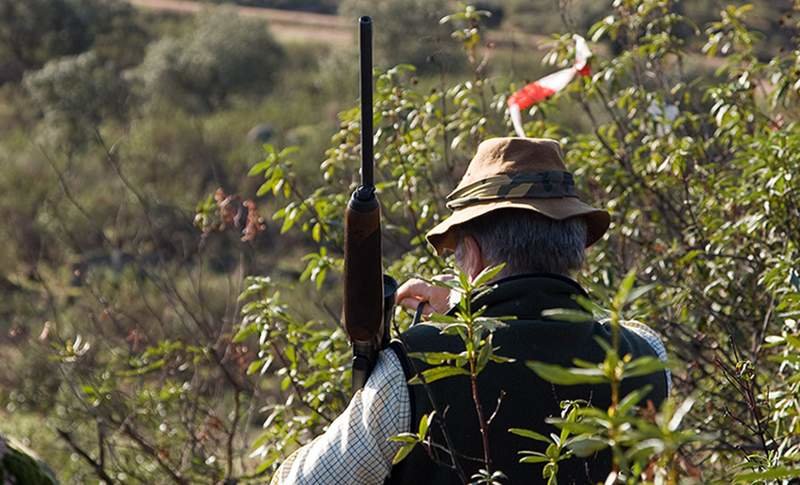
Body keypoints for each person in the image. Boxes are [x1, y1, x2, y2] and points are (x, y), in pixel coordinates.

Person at [271, 137, 670, 484]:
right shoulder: (647, 357)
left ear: (474, 255)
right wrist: (468, 307)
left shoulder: (413, 369)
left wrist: (462, 317)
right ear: (575, 247)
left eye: (457, 257)